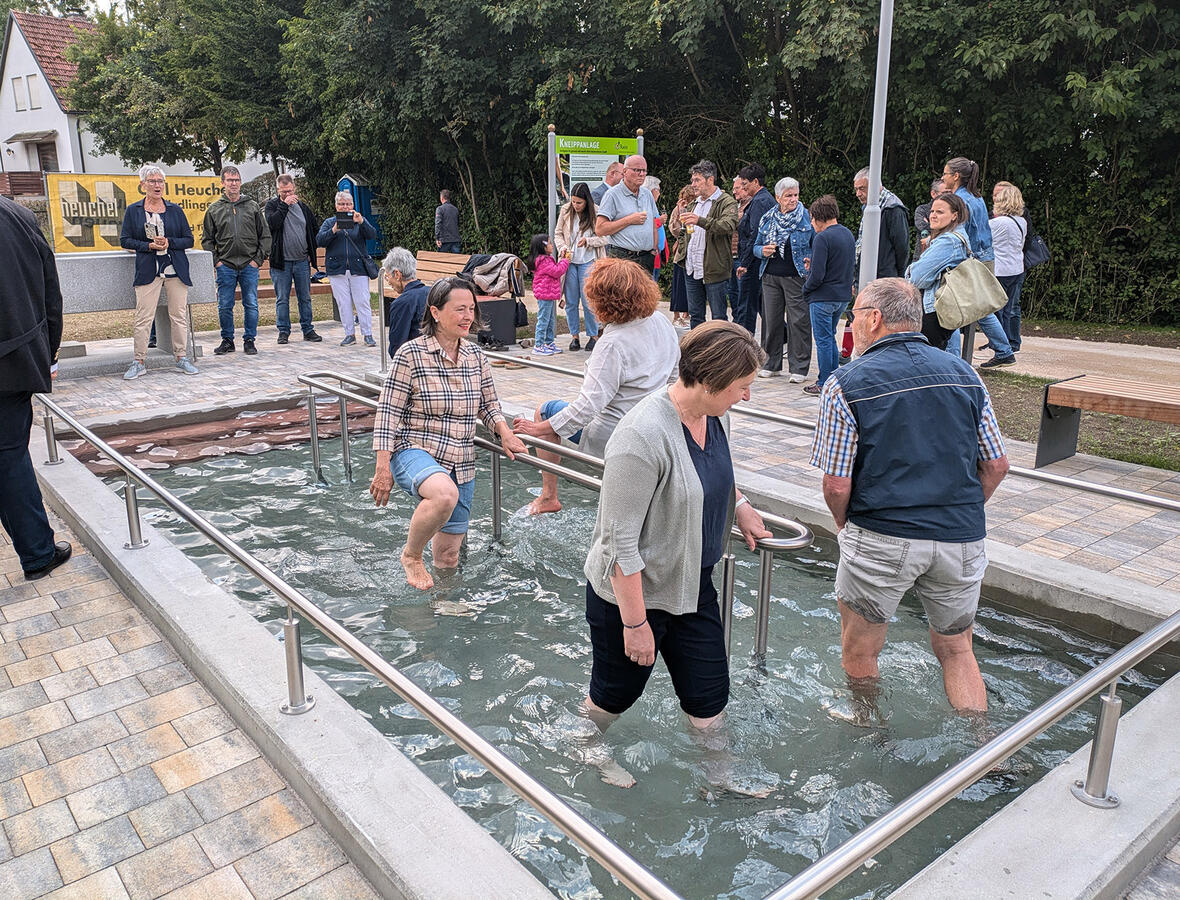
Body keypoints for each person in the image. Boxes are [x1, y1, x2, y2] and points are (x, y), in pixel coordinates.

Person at [809, 278, 1009, 712]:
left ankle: (872, 738)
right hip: (961, 538)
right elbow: (996, 465)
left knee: (860, 651)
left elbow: (836, 483)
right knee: (958, 650)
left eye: (855, 315)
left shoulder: (845, 383)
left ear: (874, 319)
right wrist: (962, 509)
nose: (852, 324)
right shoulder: (966, 374)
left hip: (881, 536)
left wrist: (845, 524)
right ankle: (984, 750)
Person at [582, 321, 771, 744]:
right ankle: (585, 749)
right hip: (632, 598)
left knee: (709, 697)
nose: (747, 396)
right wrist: (635, 624)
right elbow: (618, 544)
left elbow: (706, 473)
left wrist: (738, 505)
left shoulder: (712, 417)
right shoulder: (640, 437)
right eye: (741, 386)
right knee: (614, 697)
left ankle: (719, 779)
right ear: (708, 382)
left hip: (691, 586)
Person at [369, 277, 527, 590]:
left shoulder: (475, 356)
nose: (468, 316)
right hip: (415, 448)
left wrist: (504, 432)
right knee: (444, 494)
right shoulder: (411, 355)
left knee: (448, 555)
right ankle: (411, 555)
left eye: (471, 309)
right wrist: (382, 466)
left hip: (461, 460)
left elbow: (489, 404)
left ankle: (444, 603)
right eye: (459, 309)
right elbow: (388, 412)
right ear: (436, 313)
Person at [513, 258, 680, 515]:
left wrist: (539, 428)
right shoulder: (661, 322)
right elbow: (674, 378)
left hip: (614, 433)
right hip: (650, 427)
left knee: (546, 410)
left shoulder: (612, 343)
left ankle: (549, 496)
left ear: (601, 300)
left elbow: (587, 407)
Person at [0, 196, 71, 581]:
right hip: (14, 356)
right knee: (9, 456)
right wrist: (49, 351)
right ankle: (37, 552)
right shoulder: (19, 215)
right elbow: (50, 294)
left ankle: (38, 551)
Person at [119, 165, 198, 379]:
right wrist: (149, 246)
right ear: (142, 185)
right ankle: (139, 361)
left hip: (175, 269)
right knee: (143, 317)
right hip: (148, 270)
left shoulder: (175, 210)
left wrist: (169, 242)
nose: (157, 185)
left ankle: (182, 357)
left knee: (178, 315)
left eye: (160, 181)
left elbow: (189, 240)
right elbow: (124, 240)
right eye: (152, 181)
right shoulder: (133, 210)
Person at [202, 165, 271, 356]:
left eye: (237, 180)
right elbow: (207, 239)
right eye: (230, 180)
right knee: (225, 305)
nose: (234, 183)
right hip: (226, 266)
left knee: (251, 304)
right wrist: (217, 261)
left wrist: (257, 260)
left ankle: (249, 340)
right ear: (222, 183)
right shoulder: (214, 209)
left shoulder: (252, 206)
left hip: (249, 265)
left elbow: (264, 236)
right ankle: (227, 341)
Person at [754, 177, 814, 381]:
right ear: (778, 197)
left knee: (799, 321)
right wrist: (763, 250)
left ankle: (799, 368)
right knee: (771, 321)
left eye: (796, 195)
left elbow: (816, 244)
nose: (793, 199)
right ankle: (771, 363)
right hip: (770, 275)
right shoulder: (768, 218)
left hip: (796, 276)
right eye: (788, 195)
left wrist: (811, 260)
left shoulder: (806, 217)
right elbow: (755, 247)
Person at [801, 195, 855, 396]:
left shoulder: (822, 237)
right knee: (830, 336)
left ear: (816, 217)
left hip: (823, 296)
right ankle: (835, 377)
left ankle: (824, 381)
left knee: (823, 340)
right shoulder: (847, 234)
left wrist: (806, 288)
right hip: (841, 296)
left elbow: (817, 275)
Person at [905, 191, 970, 351]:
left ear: (954, 215)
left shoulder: (948, 241)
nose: (933, 215)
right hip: (941, 310)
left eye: (940, 212)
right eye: (932, 211)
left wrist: (910, 270)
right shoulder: (955, 236)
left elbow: (917, 278)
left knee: (923, 359)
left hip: (932, 312)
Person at [679, 160, 739, 329]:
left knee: (718, 317)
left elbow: (727, 226)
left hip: (714, 268)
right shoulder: (694, 204)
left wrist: (700, 220)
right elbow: (685, 234)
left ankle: (719, 353)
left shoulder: (727, 202)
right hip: (691, 267)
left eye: (697, 180)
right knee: (696, 315)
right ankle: (698, 353)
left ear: (710, 180)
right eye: (692, 180)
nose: (693, 185)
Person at [264, 173, 323, 345]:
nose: (287, 195)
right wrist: (284, 205)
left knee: (304, 297)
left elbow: (314, 228)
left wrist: (310, 249)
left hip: (301, 260)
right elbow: (272, 224)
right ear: (277, 190)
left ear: (294, 188)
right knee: (282, 298)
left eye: (289, 191)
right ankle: (283, 331)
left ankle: (308, 329)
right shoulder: (272, 206)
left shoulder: (303, 207)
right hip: (281, 262)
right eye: (283, 192)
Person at [316, 191, 378, 347]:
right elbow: (320, 240)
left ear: (353, 205)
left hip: (358, 268)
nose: (345, 207)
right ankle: (349, 334)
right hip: (337, 268)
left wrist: (362, 221)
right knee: (343, 303)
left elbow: (372, 235)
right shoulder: (330, 222)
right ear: (336, 206)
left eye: (348, 204)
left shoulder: (358, 220)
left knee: (363, 301)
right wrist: (334, 230)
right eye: (342, 204)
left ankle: (367, 334)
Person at [555, 182, 607, 352]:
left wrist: (589, 241)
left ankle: (593, 335)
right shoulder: (565, 210)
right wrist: (562, 247)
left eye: (579, 202)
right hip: (569, 261)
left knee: (588, 300)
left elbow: (606, 238)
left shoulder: (597, 212)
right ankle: (574, 336)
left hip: (588, 260)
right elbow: (558, 234)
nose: (575, 205)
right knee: (570, 300)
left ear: (586, 201)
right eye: (573, 201)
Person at [595, 155, 660, 273]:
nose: (641, 174)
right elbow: (600, 229)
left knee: (644, 292)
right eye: (637, 170)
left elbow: (653, 224)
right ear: (624, 172)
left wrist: (654, 250)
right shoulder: (612, 195)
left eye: (644, 170)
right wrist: (629, 220)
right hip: (622, 259)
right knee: (620, 292)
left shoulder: (647, 194)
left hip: (646, 259)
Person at [733, 164, 775, 336]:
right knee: (759, 304)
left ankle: (744, 343)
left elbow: (755, 234)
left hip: (754, 262)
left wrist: (745, 263)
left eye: (745, 184)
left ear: (755, 182)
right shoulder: (764, 199)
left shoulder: (759, 202)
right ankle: (783, 335)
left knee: (747, 305)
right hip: (757, 260)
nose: (742, 188)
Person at [990, 182, 1028, 353]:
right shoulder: (1021, 221)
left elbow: (982, 241)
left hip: (1000, 270)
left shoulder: (998, 223)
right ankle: (1011, 342)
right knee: (1009, 310)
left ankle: (1001, 346)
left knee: (995, 311)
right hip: (1017, 268)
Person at [853, 167, 910, 279]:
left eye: (862, 188)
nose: (858, 194)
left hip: (884, 276)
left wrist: (899, 277)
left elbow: (902, 247)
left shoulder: (893, 208)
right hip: (867, 273)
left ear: (875, 185)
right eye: (856, 189)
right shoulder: (868, 206)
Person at [941, 158, 993, 266]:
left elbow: (957, 236)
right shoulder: (977, 196)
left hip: (972, 263)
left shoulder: (958, 201)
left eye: (945, 174)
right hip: (987, 258)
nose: (942, 178)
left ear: (956, 176)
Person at [382, 246, 428, 358]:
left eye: (387, 277)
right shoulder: (433, 292)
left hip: (417, 362)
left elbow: (397, 348)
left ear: (397, 274)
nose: (388, 282)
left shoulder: (402, 303)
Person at [528, 234, 569, 356]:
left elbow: (554, 268)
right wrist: (565, 261)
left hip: (549, 295)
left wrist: (561, 259)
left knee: (550, 320)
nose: (552, 245)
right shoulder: (543, 261)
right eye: (550, 243)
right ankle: (538, 345)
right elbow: (556, 271)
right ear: (543, 247)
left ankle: (549, 343)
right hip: (545, 295)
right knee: (543, 320)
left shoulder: (547, 259)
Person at [665, 184, 696, 328]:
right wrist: (679, 216)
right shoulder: (677, 210)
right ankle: (677, 314)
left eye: (689, 199)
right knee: (678, 283)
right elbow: (675, 230)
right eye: (684, 199)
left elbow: (693, 232)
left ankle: (687, 313)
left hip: (694, 251)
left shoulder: (697, 209)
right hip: (681, 252)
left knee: (691, 284)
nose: (686, 202)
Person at [643, 176, 667, 283]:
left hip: (657, 253)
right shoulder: (644, 204)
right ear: (652, 190)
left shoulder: (652, 205)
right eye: (658, 190)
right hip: (650, 254)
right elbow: (643, 224)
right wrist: (659, 221)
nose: (659, 193)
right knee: (650, 285)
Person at [913, 178, 943, 259]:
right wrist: (942, 228)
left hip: (940, 258)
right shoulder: (922, 210)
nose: (948, 196)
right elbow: (921, 226)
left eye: (950, 192)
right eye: (944, 193)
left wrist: (929, 224)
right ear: (933, 194)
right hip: (921, 257)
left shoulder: (952, 212)